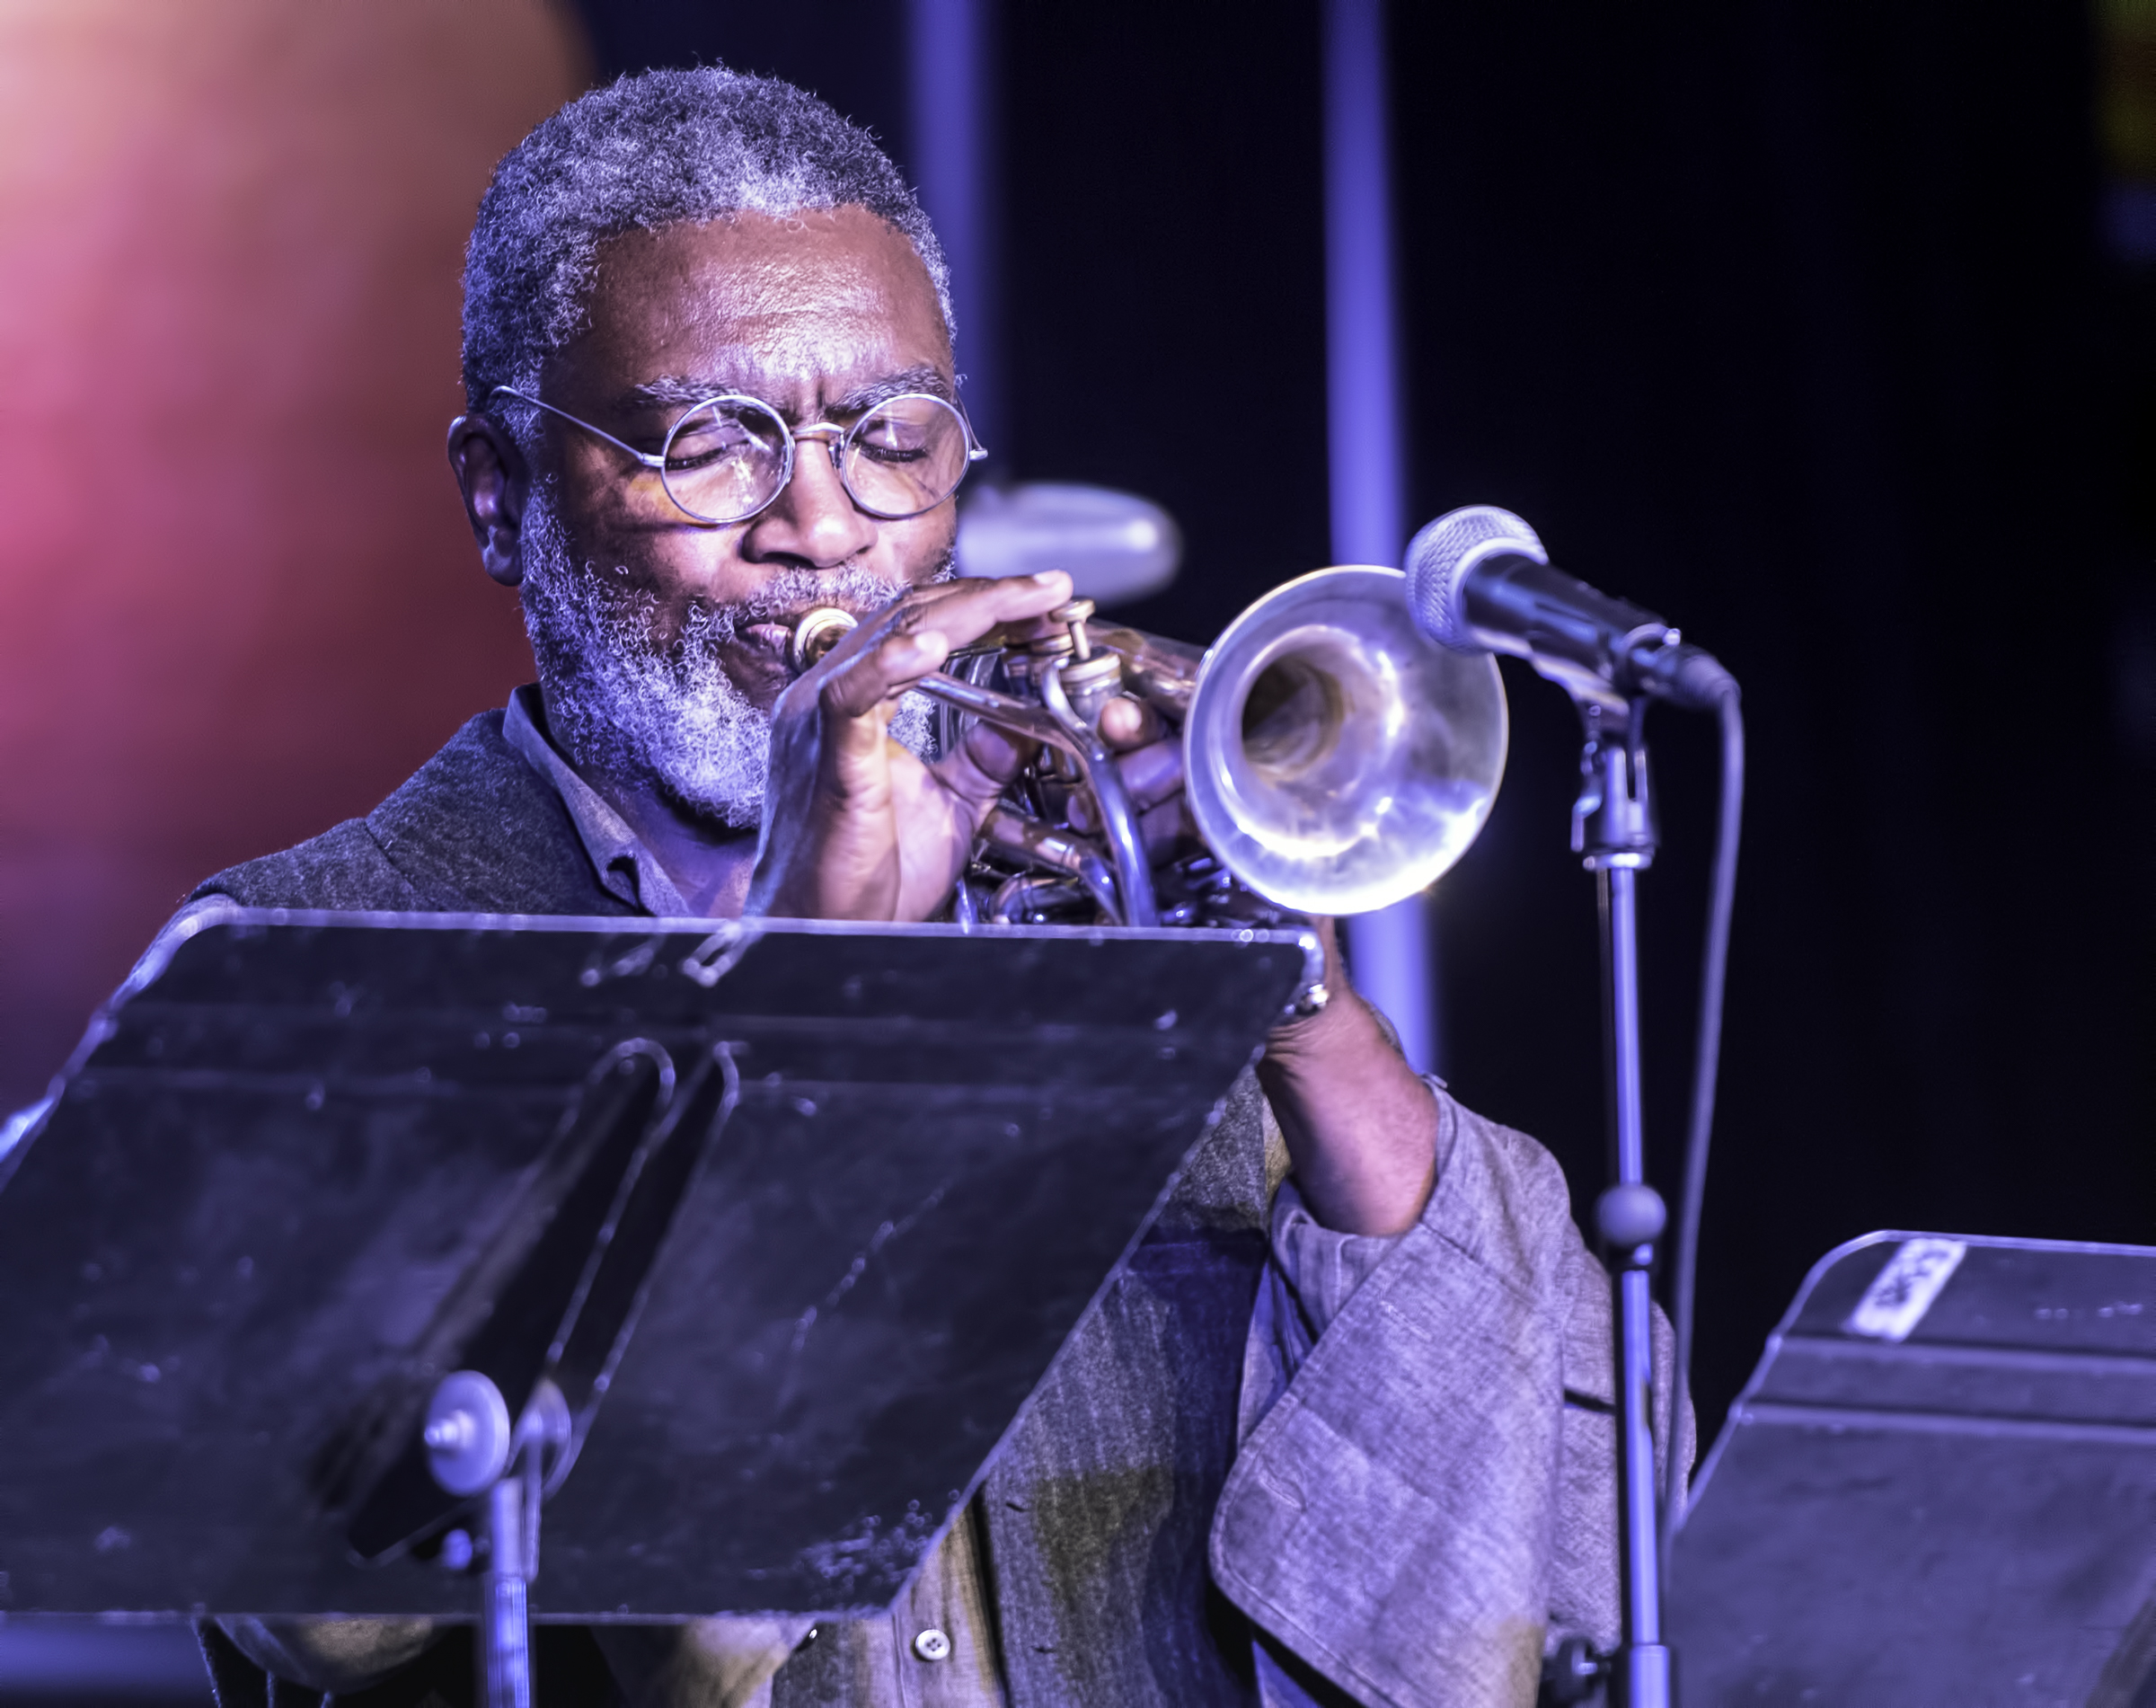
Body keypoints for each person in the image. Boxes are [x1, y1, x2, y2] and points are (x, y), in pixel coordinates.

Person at [176, 66, 1685, 1708]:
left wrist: (1306, 1013)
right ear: (501, 493)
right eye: (708, 448)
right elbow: (319, 1607)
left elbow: (1585, 1549)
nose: (821, 527)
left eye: (891, 440)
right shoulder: (310, 962)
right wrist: (813, 1001)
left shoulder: (1092, 908)